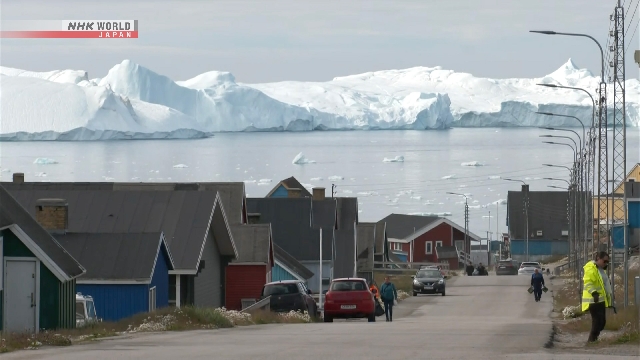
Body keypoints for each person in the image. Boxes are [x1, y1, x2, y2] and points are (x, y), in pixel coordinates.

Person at [582, 251, 613, 343]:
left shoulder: (601, 270)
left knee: (602, 322)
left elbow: (605, 285)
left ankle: (594, 339)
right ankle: (591, 340)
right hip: (593, 300)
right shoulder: (591, 268)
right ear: (598, 259)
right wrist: (594, 293)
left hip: (601, 300)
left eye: (607, 262)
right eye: (604, 261)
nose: (606, 263)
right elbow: (587, 283)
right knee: (597, 321)